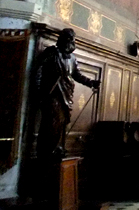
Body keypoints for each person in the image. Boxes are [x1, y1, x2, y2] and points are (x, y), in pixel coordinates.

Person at [34, 28, 100, 160]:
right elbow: (39, 70)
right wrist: (39, 91)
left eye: (73, 39)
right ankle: (45, 152)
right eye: (69, 38)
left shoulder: (72, 58)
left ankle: (54, 149)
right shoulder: (51, 53)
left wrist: (91, 82)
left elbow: (77, 75)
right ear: (62, 39)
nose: (72, 42)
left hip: (66, 94)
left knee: (61, 123)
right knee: (51, 123)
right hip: (52, 93)